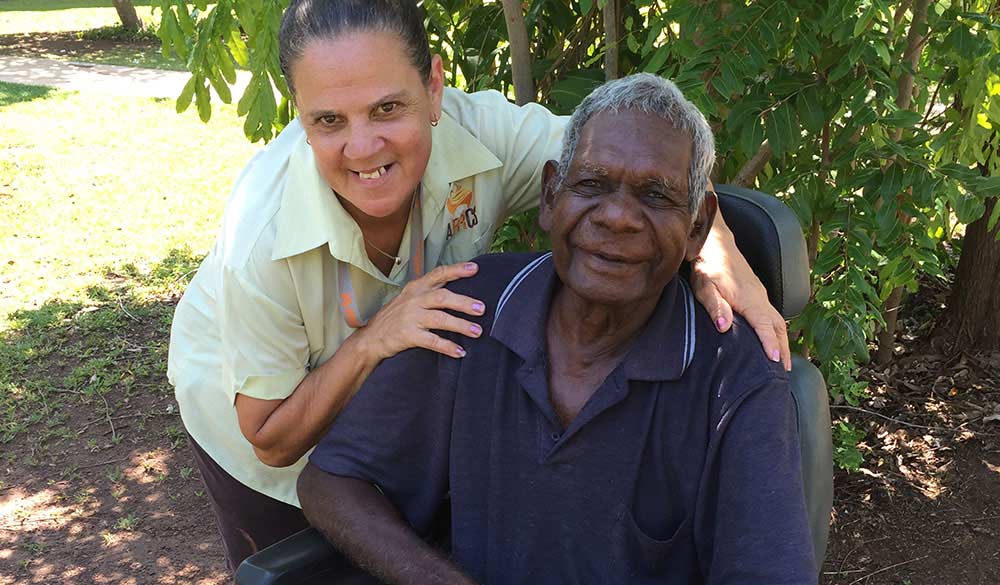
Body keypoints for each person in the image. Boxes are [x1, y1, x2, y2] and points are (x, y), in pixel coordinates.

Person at [166, 0, 791, 573]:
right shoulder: (265, 236)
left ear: (434, 88)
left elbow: (633, 155)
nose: (362, 145)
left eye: (388, 107)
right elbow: (275, 441)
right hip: (269, 419)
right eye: (329, 120)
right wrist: (371, 341)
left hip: (410, 391)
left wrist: (724, 258)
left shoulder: (487, 138)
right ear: (302, 119)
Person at [298, 73, 817, 585]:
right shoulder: (469, 308)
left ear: (697, 229)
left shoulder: (736, 375)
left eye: (655, 196)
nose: (617, 217)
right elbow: (333, 479)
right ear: (550, 197)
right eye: (591, 184)